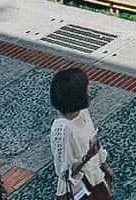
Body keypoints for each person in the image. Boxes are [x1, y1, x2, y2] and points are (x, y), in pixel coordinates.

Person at [49, 67, 114, 200]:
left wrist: (104, 165)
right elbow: (66, 173)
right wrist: (88, 156)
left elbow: (93, 140)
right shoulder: (63, 129)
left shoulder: (83, 111)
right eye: (87, 87)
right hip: (79, 188)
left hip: (95, 177)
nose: (89, 91)